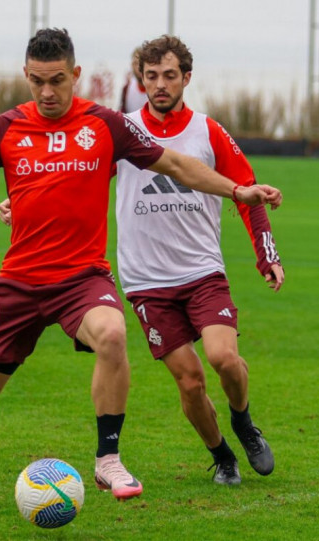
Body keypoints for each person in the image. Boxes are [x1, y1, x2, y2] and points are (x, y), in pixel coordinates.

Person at [0, 28, 282, 507]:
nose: (47, 92)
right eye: (37, 81)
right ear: (26, 76)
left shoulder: (105, 125)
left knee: (113, 334)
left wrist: (236, 190)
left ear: (76, 75)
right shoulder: (3, 129)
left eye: (57, 80)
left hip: (82, 278)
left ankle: (108, 459)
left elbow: (177, 165)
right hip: (18, 280)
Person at [119, 35, 283, 485]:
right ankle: (222, 456)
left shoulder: (207, 131)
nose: (159, 85)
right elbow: (78, 177)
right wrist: (21, 203)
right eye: (151, 76)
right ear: (141, 80)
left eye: (169, 75)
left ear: (186, 78)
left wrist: (266, 255)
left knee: (224, 359)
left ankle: (243, 422)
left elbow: (248, 190)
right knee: (189, 382)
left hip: (201, 272)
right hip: (147, 282)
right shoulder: (121, 130)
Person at [119, 46, 147, 113]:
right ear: (131, 65)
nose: (139, 67)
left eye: (142, 63)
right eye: (136, 63)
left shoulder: (158, 88)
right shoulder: (126, 89)